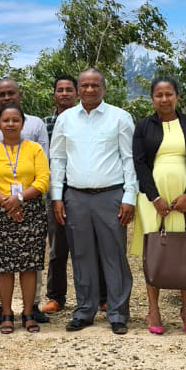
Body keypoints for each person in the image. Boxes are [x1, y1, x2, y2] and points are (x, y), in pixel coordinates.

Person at [50, 68, 137, 335]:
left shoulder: (120, 117)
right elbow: (58, 159)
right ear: (78, 89)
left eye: (95, 85)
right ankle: (84, 310)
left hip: (111, 195)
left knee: (114, 255)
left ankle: (118, 313)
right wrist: (57, 196)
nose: (89, 90)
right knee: (81, 255)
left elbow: (129, 159)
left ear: (103, 88)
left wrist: (130, 196)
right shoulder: (66, 120)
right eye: (85, 85)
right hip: (75, 197)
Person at [131, 77, 186, 335]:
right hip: (153, 198)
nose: (164, 99)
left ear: (176, 96)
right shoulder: (144, 126)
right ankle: (153, 310)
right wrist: (154, 197)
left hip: (185, 197)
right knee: (155, 251)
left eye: (169, 94)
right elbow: (139, 163)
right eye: (159, 95)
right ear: (152, 98)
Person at [0, 78, 50, 326]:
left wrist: (19, 199)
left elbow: (42, 180)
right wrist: (8, 203)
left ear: (22, 123)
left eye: (15, 120)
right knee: (3, 265)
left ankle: (28, 313)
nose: (10, 124)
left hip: (31, 210)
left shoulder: (35, 149)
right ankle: (6, 313)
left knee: (30, 264)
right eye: (6, 120)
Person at [41, 75, 108, 314]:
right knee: (58, 247)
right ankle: (55, 296)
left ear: (76, 93)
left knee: (95, 245)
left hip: (86, 190)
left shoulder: (90, 121)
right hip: (57, 190)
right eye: (60, 90)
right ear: (54, 94)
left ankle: (102, 296)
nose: (65, 94)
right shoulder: (45, 124)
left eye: (69, 89)